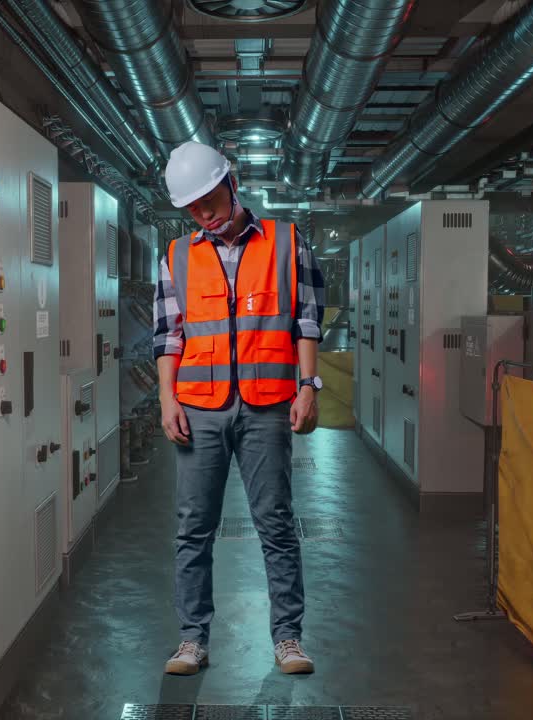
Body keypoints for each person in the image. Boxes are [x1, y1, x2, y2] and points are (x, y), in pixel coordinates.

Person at [152, 141, 325, 677]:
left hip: (267, 405)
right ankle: (192, 640)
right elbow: (168, 337)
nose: (203, 213)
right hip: (199, 408)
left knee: (274, 522)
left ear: (232, 182)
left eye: (208, 199)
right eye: (192, 207)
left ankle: (289, 638)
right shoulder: (177, 256)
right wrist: (166, 398)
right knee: (193, 527)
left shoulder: (286, 242)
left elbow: (308, 321)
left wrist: (308, 385)